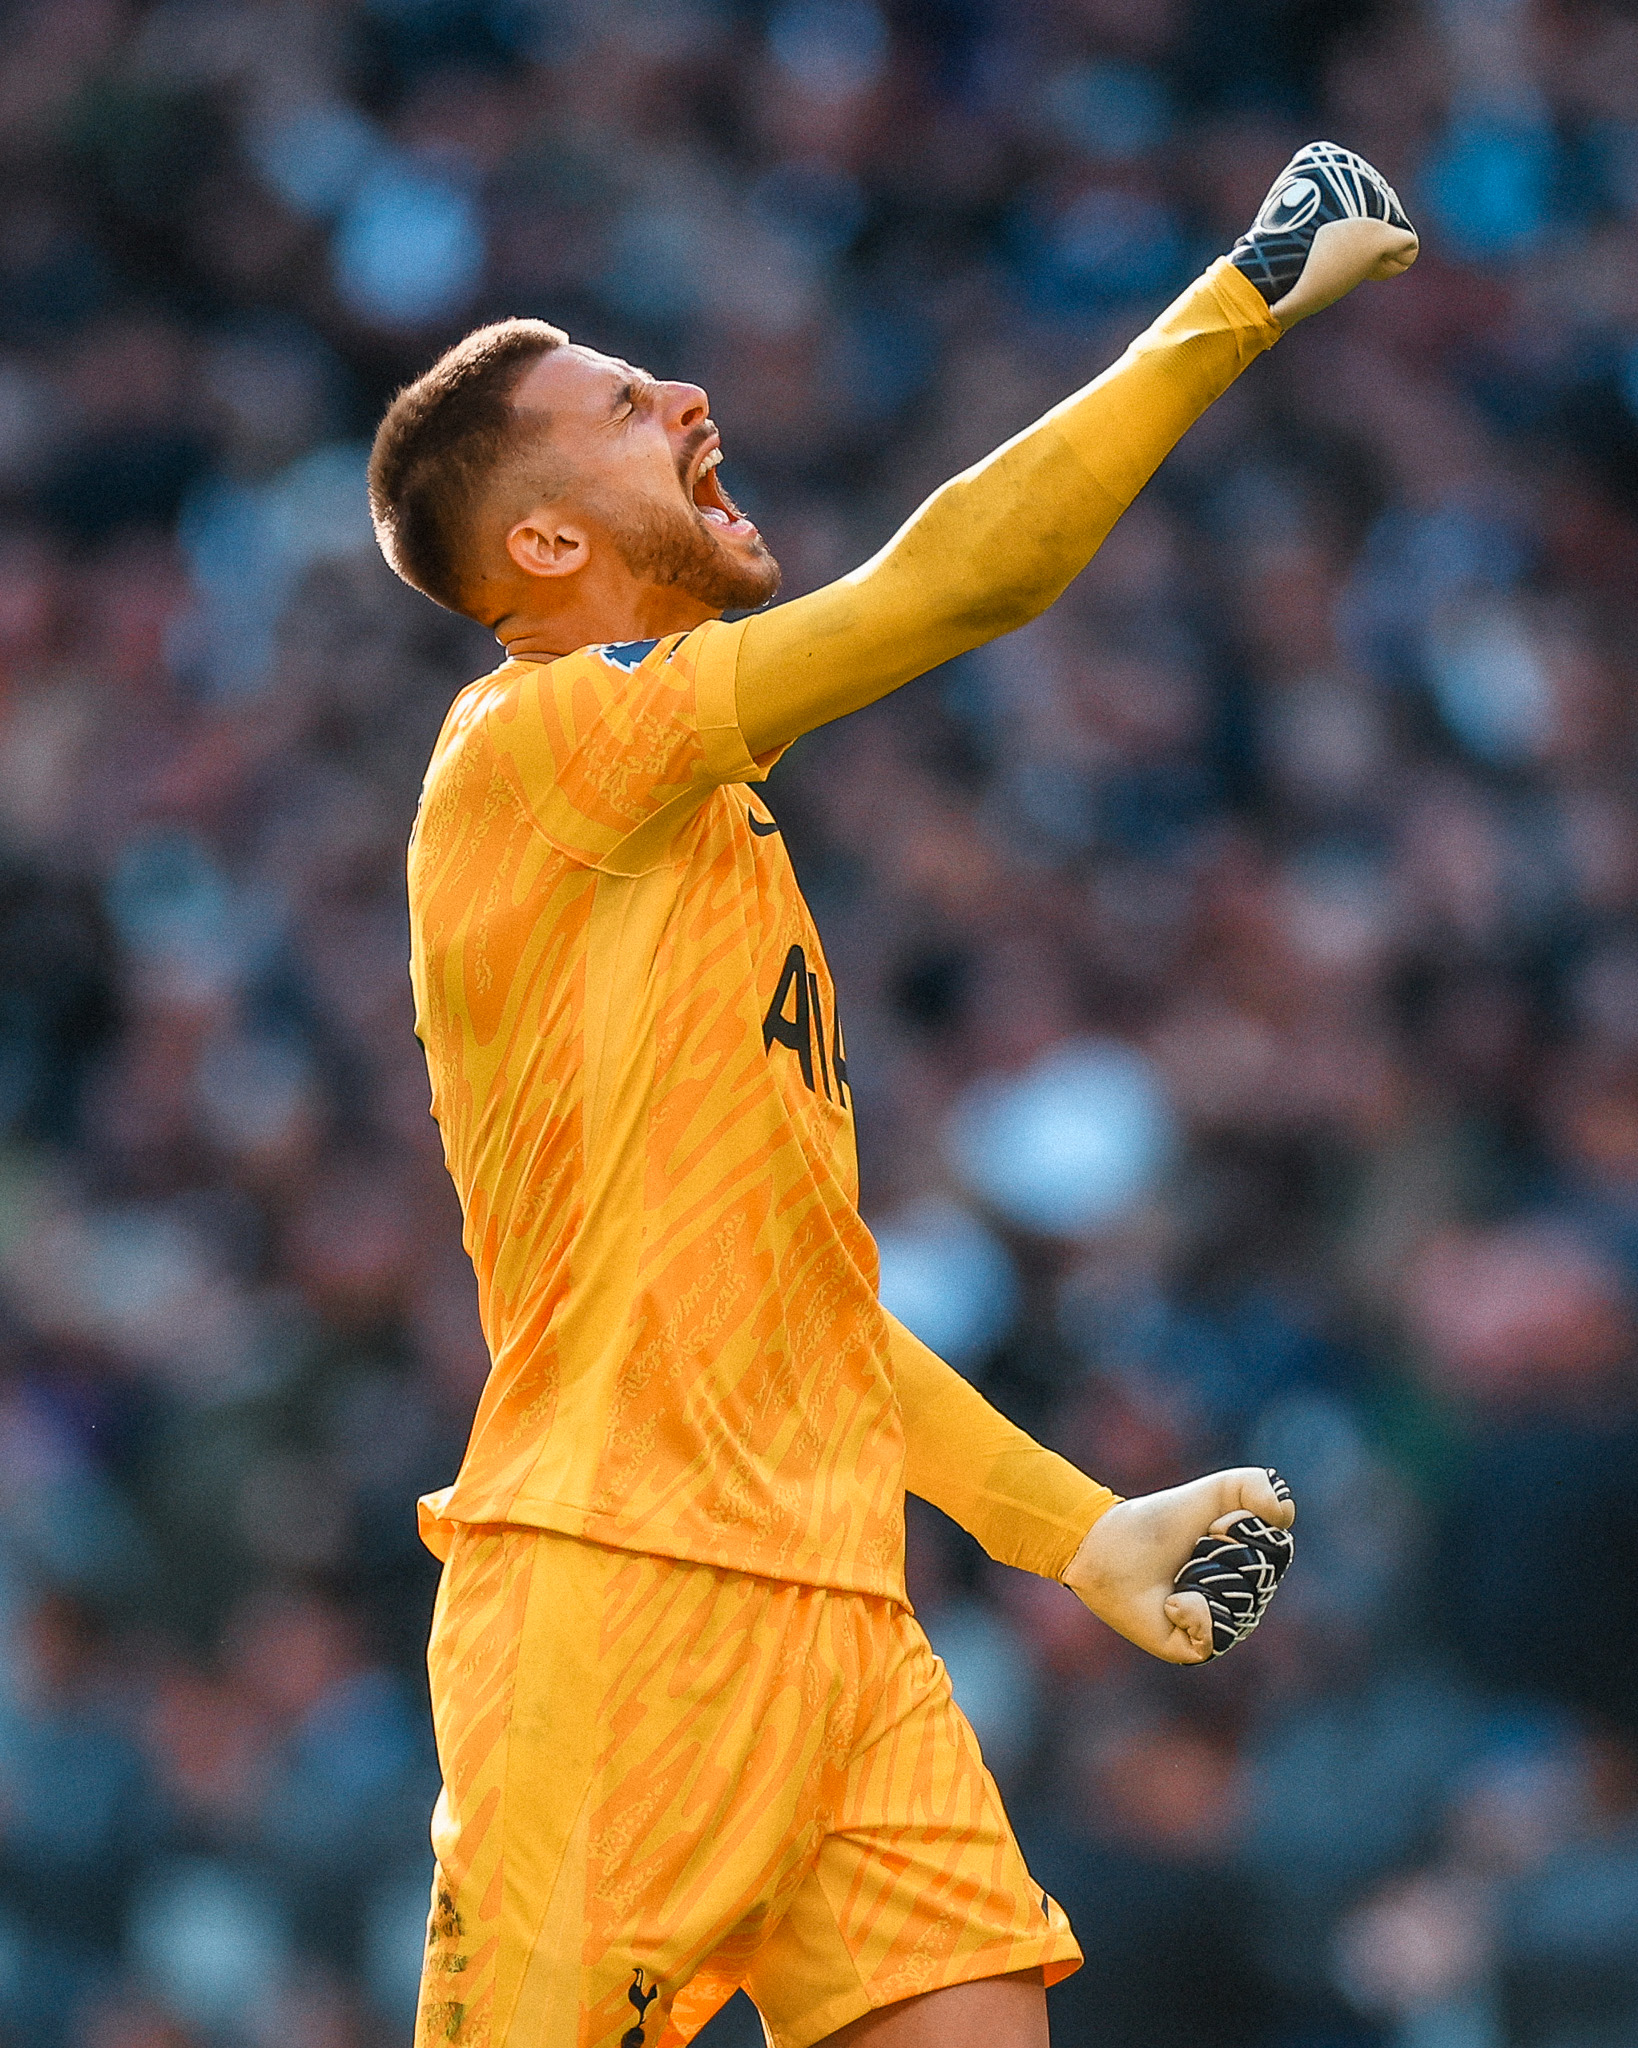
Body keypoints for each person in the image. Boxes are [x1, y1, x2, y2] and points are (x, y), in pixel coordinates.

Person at [368, 144, 1416, 2048]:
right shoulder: (541, 743)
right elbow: (968, 579)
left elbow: (803, 1308)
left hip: (843, 1620)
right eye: (622, 404)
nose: (686, 397)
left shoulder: (704, 843)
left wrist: (1070, 1530)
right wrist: (1243, 292)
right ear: (539, 548)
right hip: (620, 1603)